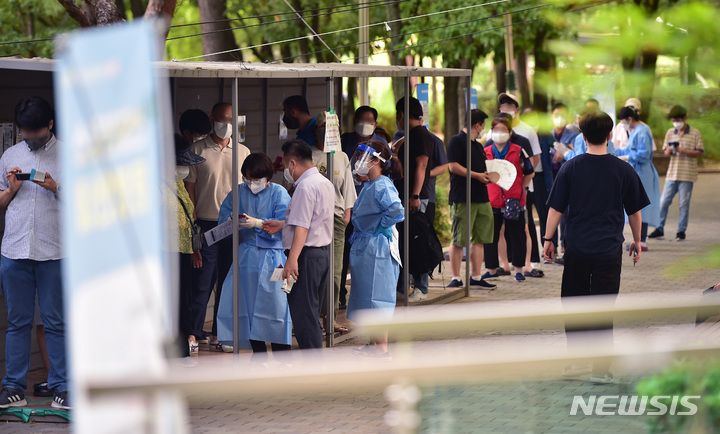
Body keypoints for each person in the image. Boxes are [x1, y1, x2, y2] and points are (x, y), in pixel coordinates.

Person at [543, 110, 648, 384]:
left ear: (583, 137)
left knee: (575, 305)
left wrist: (548, 239)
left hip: (576, 248)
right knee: (603, 307)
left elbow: (555, 208)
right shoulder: (623, 169)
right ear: (610, 136)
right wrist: (636, 240)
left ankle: (577, 361)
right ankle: (601, 368)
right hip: (609, 250)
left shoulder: (571, 167)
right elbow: (634, 212)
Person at [0, 97, 69, 409]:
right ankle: (13, 386)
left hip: (55, 251)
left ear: (50, 125)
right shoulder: (10, 155)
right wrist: (11, 190)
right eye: (25, 133)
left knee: (55, 322)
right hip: (14, 250)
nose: (30, 139)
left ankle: (62, 387)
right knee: (17, 322)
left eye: (36, 133)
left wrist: (56, 187)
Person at [185, 103, 251, 353]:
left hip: (234, 224)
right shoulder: (197, 150)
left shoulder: (243, 152)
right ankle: (192, 332)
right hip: (206, 222)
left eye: (231, 120)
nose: (227, 126)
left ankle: (219, 334)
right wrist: (192, 228)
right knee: (202, 281)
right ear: (212, 120)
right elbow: (190, 190)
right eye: (223, 120)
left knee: (228, 280)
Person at [215, 153, 292, 359]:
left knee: (276, 306)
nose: (251, 184)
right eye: (247, 179)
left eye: (256, 180)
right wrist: (232, 221)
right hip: (246, 257)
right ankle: (259, 355)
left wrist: (258, 223)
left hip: (273, 259)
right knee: (247, 307)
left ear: (268, 178)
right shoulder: (238, 192)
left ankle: (282, 355)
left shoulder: (279, 193)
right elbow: (223, 217)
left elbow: (285, 225)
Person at [261, 139, 334, 350]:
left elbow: (302, 227)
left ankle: (312, 367)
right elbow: (314, 219)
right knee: (311, 311)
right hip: (321, 254)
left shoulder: (304, 187)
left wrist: (292, 260)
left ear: (293, 163)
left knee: (304, 315)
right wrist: (284, 225)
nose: (285, 169)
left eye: (284, 165)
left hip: (306, 255)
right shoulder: (323, 182)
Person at [346, 140, 405, 358]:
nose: (359, 162)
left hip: (378, 246)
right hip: (367, 245)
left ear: (376, 160)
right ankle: (373, 343)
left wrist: (381, 226)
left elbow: (397, 211)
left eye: (363, 156)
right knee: (367, 297)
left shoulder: (381, 184)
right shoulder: (370, 184)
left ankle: (382, 348)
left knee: (378, 298)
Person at [339, 106, 388, 309]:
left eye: (369, 120)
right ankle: (340, 293)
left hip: (368, 212)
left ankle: (364, 298)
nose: (364, 124)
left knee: (365, 259)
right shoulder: (345, 140)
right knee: (343, 253)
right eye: (361, 120)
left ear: (375, 123)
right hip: (348, 207)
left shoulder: (380, 143)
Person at [313, 112, 357, 333]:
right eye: (324, 127)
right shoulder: (308, 155)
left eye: (333, 127)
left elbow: (348, 190)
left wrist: (346, 214)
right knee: (314, 269)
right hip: (312, 220)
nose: (329, 131)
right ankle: (312, 320)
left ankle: (329, 319)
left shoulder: (341, 157)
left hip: (337, 219)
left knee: (336, 271)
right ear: (317, 130)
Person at [445, 109, 496, 290]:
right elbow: (453, 166)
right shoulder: (456, 141)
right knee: (459, 238)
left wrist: (487, 176)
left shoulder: (478, 146)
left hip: (482, 197)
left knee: (479, 238)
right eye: (483, 125)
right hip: (462, 198)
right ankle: (456, 277)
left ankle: (476, 275)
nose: (484, 128)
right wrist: (476, 175)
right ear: (477, 125)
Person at [483, 115, 534, 282]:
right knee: (491, 235)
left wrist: (522, 188)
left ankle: (518, 269)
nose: (499, 133)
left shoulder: (519, 150)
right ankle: (491, 269)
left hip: (514, 199)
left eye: (503, 130)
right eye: (496, 130)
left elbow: (530, 171)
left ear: (510, 132)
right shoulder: (486, 151)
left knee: (517, 234)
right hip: (492, 198)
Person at [392, 97, 433, 301]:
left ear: (401, 114)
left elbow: (422, 166)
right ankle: (406, 286)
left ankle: (421, 287)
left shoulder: (419, 135)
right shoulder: (413, 135)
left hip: (415, 198)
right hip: (409, 196)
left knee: (417, 241)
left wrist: (415, 194)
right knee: (407, 241)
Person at [498, 93, 543, 278]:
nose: (506, 109)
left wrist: (524, 183)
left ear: (517, 110)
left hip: (523, 186)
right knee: (503, 226)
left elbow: (535, 158)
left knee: (526, 226)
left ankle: (530, 263)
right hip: (500, 189)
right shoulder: (496, 130)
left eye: (510, 106)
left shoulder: (527, 131)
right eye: (503, 106)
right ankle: (506, 263)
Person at [171, 134, 206, 358]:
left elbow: (188, 218)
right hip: (165, 254)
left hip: (182, 251)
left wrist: (195, 249)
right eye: (181, 163)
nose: (185, 168)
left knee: (184, 303)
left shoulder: (178, 185)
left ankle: (181, 349)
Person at [649, 105, 704, 241]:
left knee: (683, 204)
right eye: (673, 120)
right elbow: (665, 150)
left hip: (687, 175)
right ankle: (659, 228)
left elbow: (700, 152)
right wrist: (669, 151)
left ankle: (681, 231)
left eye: (678, 119)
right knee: (663, 202)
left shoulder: (695, 133)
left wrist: (685, 152)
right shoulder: (670, 133)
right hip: (672, 174)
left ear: (684, 118)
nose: (676, 122)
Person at [614, 106, 660, 250]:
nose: (623, 124)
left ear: (630, 119)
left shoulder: (643, 131)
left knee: (642, 205)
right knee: (637, 204)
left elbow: (644, 154)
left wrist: (627, 157)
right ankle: (639, 238)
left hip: (643, 172)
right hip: (637, 171)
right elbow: (629, 149)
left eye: (623, 121)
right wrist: (615, 152)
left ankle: (643, 240)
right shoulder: (635, 131)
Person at [548, 103, 580, 263]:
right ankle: (550, 246)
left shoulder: (573, 135)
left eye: (562, 114)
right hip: (550, 175)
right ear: (551, 116)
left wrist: (564, 153)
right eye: (556, 114)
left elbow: (574, 154)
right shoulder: (547, 134)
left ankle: (564, 246)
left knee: (566, 211)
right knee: (552, 210)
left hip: (567, 176)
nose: (559, 117)